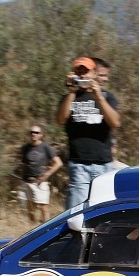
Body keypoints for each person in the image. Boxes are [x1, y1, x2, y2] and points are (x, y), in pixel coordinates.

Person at [55, 56, 120, 209]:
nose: (82, 75)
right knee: (76, 212)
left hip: (103, 163)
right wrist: (72, 92)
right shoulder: (68, 98)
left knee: (103, 211)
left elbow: (115, 123)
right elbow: (60, 120)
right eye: (79, 71)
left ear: (94, 73)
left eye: (86, 71)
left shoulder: (107, 96)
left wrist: (98, 97)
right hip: (79, 163)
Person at [18, 124, 62, 224]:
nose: (34, 134)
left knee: (43, 207)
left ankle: (47, 229)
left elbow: (58, 163)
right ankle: (32, 228)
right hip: (27, 181)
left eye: (36, 132)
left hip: (40, 182)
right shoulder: (25, 148)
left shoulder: (46, 147)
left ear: (41, 134)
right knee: (30, 208)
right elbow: (24, 164)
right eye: (32, 132)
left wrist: (46, 174)